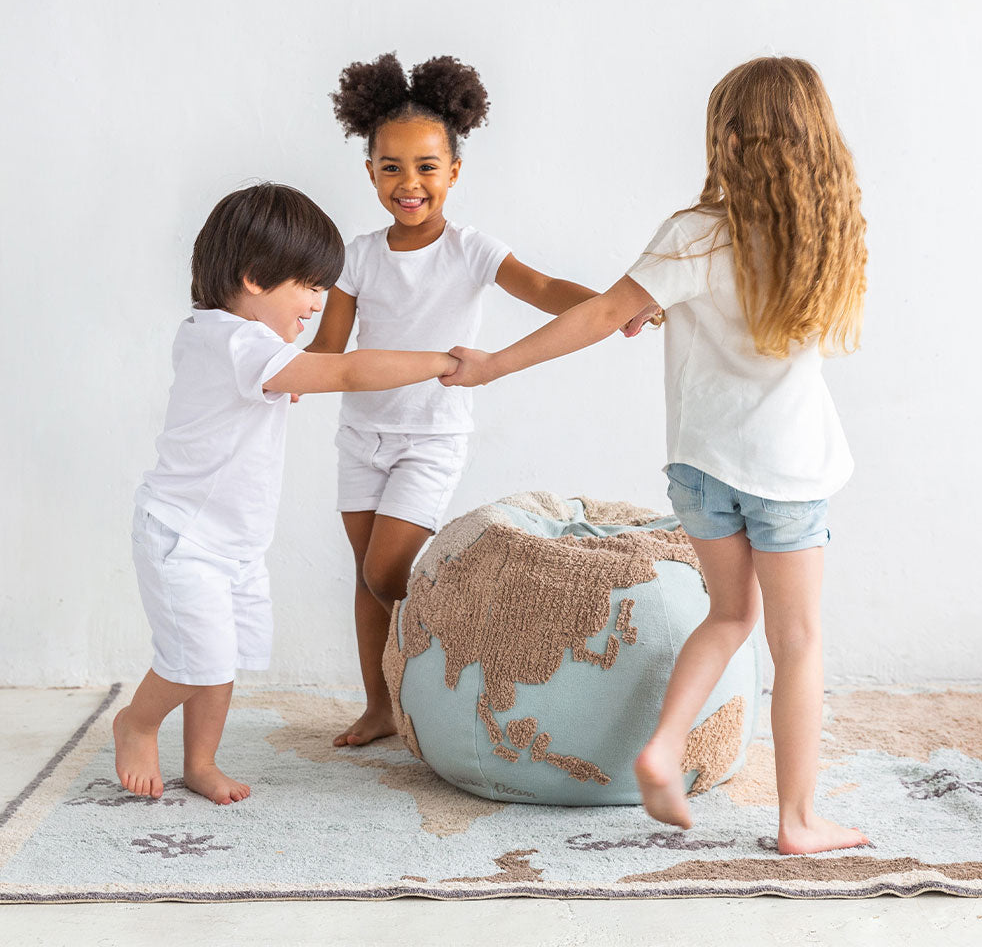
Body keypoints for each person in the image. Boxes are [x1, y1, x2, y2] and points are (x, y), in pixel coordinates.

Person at [444, 57, 870, 855]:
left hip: (701, 469)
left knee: (730, 615)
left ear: (728, 140)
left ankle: (664, 746)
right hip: (787, 474)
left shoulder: (694, 234)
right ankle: (798, 822)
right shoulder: (829, 236)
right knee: (798, 643)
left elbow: (604, 314)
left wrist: (494, 363)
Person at [308, 52, 646, 747]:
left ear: (454, 172)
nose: (409, 183)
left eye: (426, 167)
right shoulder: (357, 256)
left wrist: (617, 307)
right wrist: (270, 367)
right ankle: (380, 706)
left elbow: (544, 289)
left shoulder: (470, 250)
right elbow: (327, 351)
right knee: (368, 581)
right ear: (369, 172)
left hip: (431, 437)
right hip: (361, 438)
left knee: (386, 572)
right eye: (391, 167)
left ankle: (474, 644)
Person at [114, 182, 459, 804]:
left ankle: (200, 762)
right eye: (308, 286)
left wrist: (289, 367)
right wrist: (440, 362)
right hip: (185, 538)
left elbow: (289, 372)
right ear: (253, 278)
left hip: (232, 542)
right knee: (199, 656)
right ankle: (136, 722)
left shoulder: (233, 341)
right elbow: (346, 369)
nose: (318, 303)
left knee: (222, 659)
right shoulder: (236, 341)